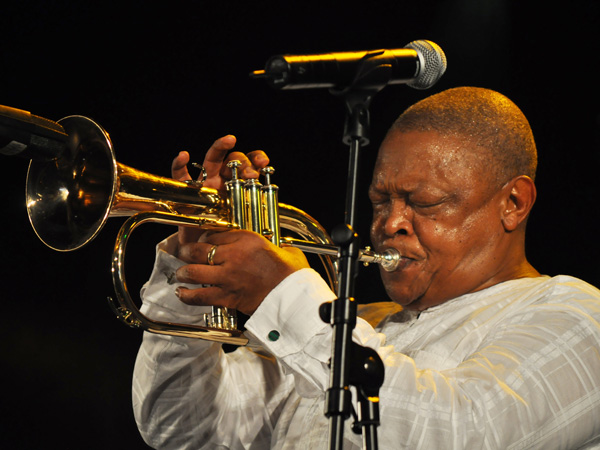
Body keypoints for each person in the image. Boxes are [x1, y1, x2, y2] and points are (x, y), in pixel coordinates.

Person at [132, 87, 600, 449]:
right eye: (380, 201)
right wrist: (193, 268)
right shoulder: (364, 326)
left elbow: (463, 433)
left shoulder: (577, 315)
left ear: (513, 203)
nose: (390, 223)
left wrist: (286, 293)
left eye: (425, 202)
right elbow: (182, 431)